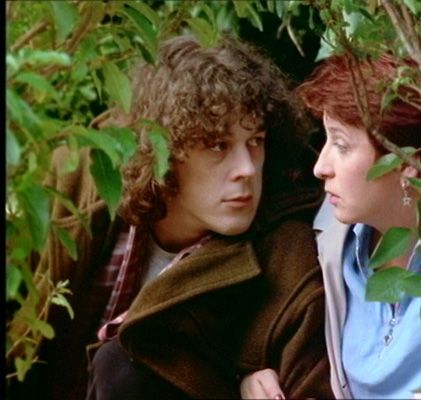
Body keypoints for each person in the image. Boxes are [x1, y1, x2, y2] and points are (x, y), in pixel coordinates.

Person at [7, 35, 334, 400]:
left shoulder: (286, 259)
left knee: (124, 365)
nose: (246, 168)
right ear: (162, 149)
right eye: (218, 145)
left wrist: (235, 384)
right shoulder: (76, 186)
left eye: (255, 140)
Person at [240, 53, 421, 399]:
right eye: (326, 141)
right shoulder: (324, 238)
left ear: (409, 163)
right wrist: (252, 378)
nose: (320, 167)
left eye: (341, 145)